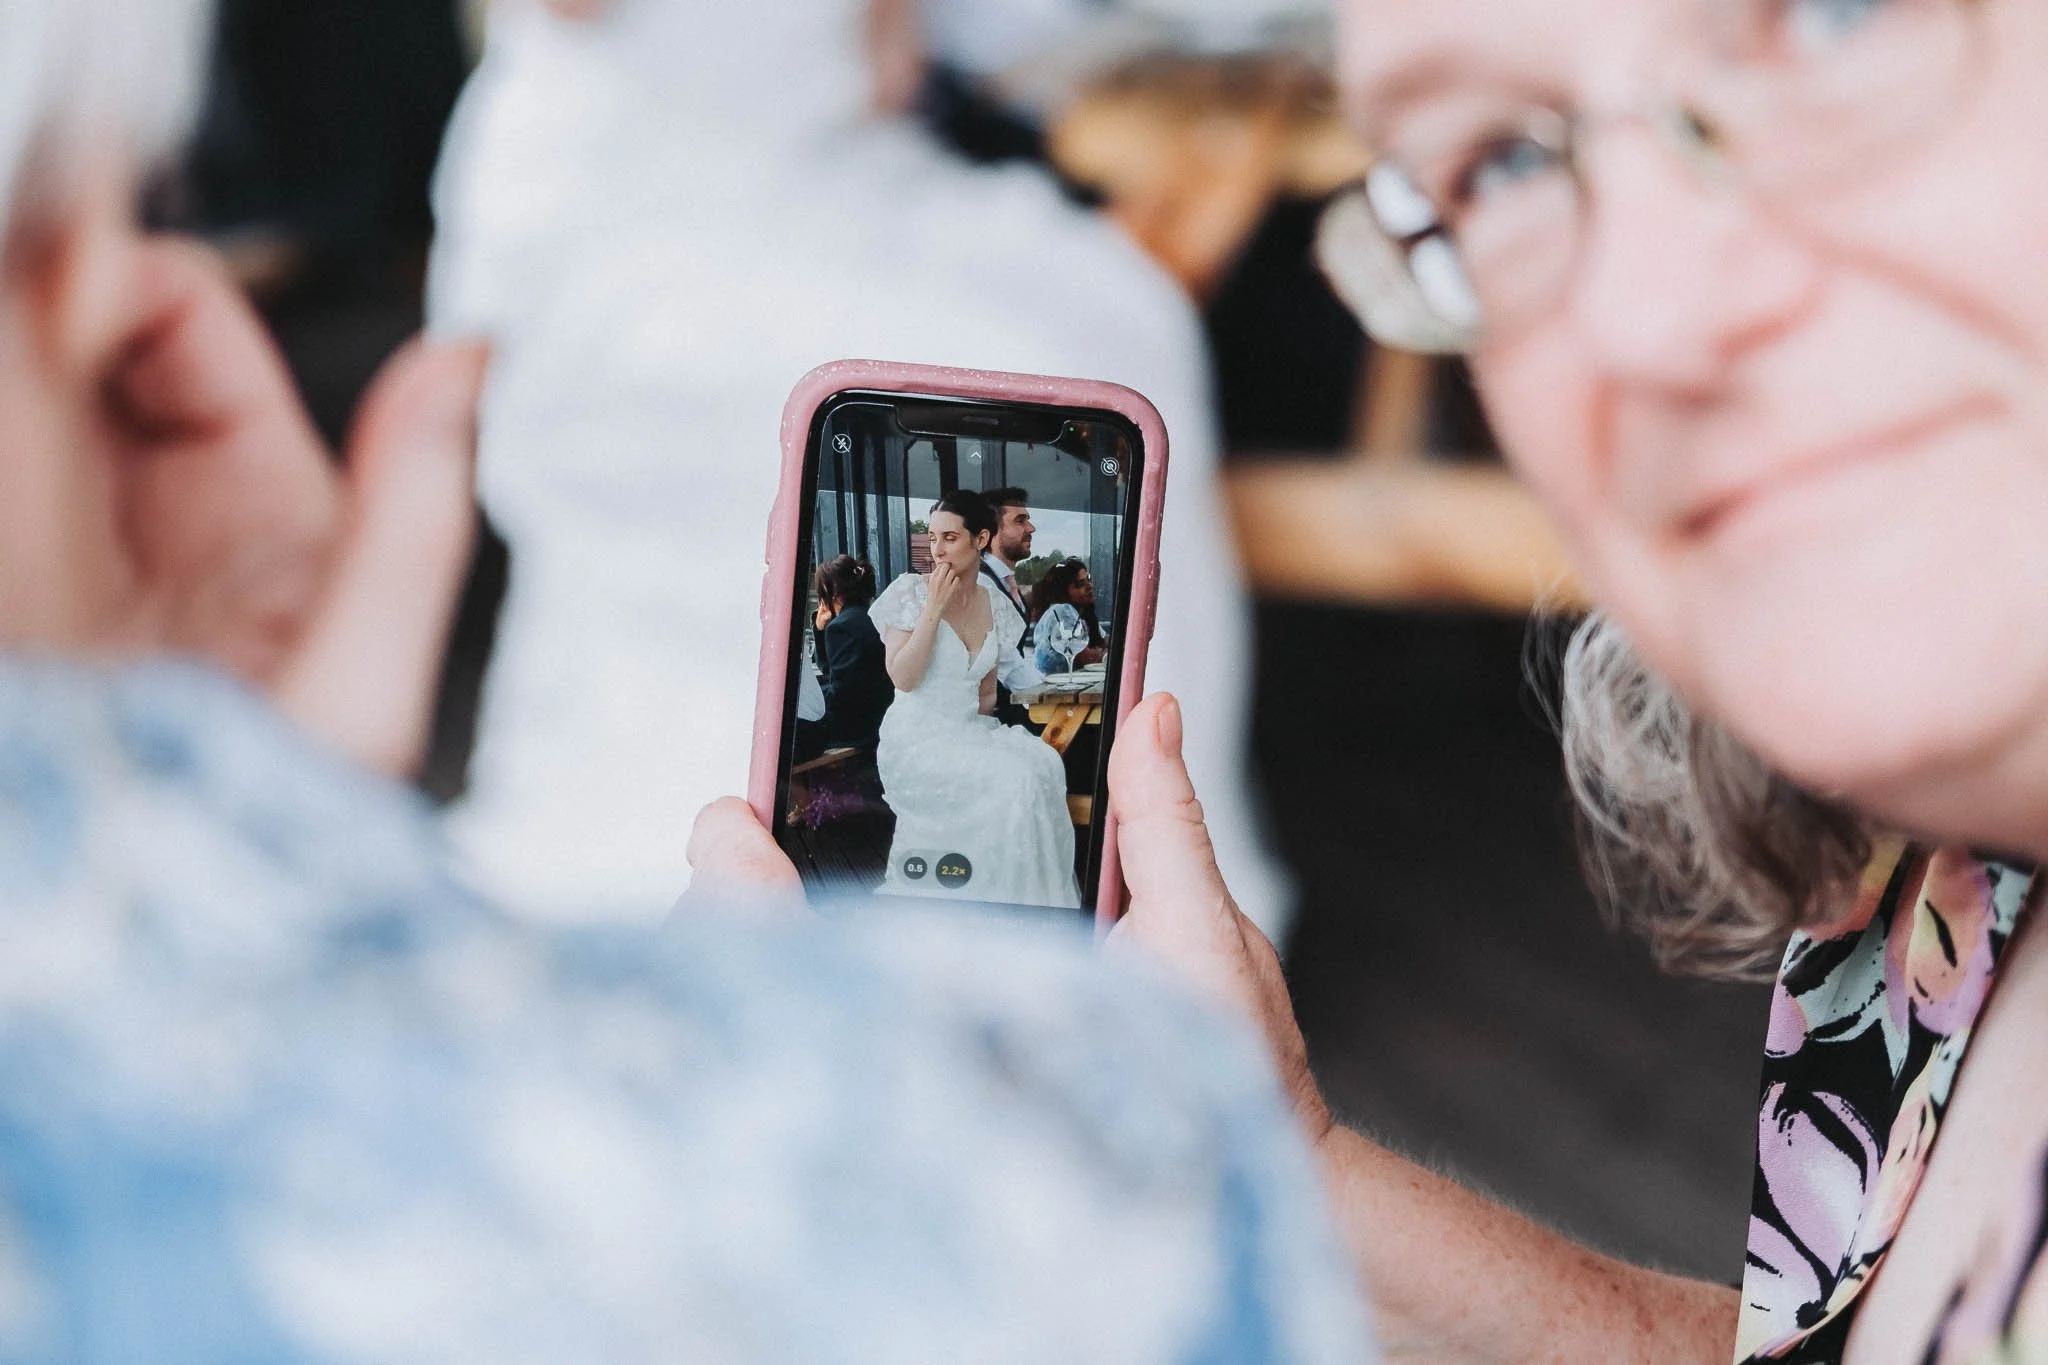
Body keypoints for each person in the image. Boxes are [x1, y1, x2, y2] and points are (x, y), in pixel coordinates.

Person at [0, 2, 1388, 1359]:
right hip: (667, 190)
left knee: (1078, 353)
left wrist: (249, 843)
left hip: (823, 180)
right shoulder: (1086, 1236)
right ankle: (1066, 967)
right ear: (81, 266)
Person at [695, 0, 2048, 1357]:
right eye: (1496, 166)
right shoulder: (1941, 883)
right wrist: (1257, 1154)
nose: (1647, 319)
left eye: (1837, 19)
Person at [427, 0, 1296, 940]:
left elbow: (906, 58)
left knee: (1122, 324)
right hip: (643, 180)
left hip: (838, 170)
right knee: (926, 375)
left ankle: (1135, 884)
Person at [872, 492, 1080, 907]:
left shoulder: (995, 607)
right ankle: (991, 902)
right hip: (914, 738)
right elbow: (904, 677)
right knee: (1014, 780)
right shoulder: (911, 592)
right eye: (932, 538)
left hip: (967, 730)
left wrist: (980, 738)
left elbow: (985, 695)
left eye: (949, 537)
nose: (937, 549)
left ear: (980, 538)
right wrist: (933, 609)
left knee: (1042, 764)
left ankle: (1023, 901)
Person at [810, 554, 893, 753]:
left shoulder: (842, 627)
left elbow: (841, 695)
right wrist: (820, 631)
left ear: (830, 592)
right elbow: (836, 674)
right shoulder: (872, 617)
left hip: (859, 730)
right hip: (880, 717)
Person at [1030, 557, 1108, 674]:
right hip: (1052, 687)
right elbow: (1083, 656)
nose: (1089, 586)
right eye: (1079, 584)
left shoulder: (1082, 613)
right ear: (1063, 590)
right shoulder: (1061, 610)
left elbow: (1107, 642)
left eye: (1088, 579)